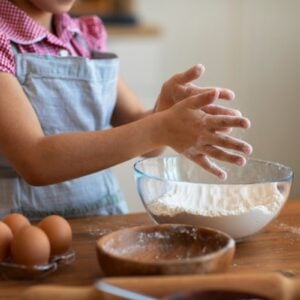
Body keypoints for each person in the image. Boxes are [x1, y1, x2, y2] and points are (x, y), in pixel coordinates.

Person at [0, 0, 252, 219]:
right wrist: (160, 127)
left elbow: (149, 144)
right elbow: (36, 162)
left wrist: (163, 114)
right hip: (21, 235)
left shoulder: (83, 37)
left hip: (100, 221)